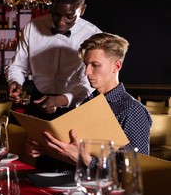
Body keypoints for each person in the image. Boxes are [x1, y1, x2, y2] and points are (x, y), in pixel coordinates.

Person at [26, 32, 152, 172]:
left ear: (116, 66)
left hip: (93, 189)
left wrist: (87, 160)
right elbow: (70, 151)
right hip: (63, 179)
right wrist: (45, 148)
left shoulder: (132, 110)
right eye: (86, 64)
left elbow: (136, 170)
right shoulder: (88, 101)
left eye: (95, 65)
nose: (86, 72)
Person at [6, 0, 102, 120]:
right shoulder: (32, 27)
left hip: (75, 104)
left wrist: (60, 100)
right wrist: (15, 81)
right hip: (39, 99)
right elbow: (18, 65)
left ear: (82, 10)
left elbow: (89, 83)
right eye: (56, 14)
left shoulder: (93, 35)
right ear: (51, 6)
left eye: (69, 16)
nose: (61, 22)